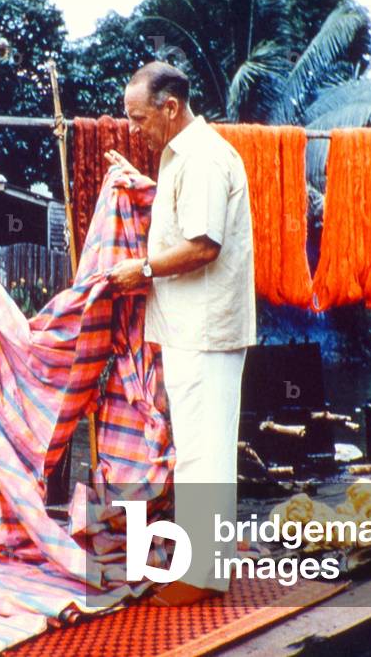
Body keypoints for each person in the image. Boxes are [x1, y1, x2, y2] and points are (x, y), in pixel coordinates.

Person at [107, 62, 255, 606]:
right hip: (189, 326)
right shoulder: (181, 156)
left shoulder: (202, 157)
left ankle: (203, 573)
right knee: (197, 446)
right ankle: (207, 561)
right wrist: (140, 181)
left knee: (203, 453)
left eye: (139, 118)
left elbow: (204, 245)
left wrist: (142, 270)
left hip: (206, 328)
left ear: (170, 107)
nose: (134, 128)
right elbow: (183, 218)